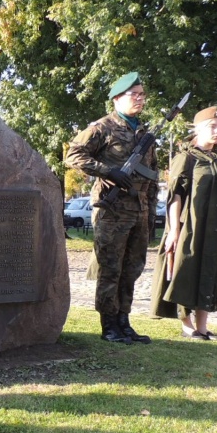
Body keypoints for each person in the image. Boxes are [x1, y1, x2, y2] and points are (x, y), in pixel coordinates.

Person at [65, 71, 159, 345]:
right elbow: (73, 155)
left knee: (132, 268)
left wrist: (150, 213)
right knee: (110, 269)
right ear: (118, 98)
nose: (140, 99)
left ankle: (124, 321)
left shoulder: (143, 133)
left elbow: (152, 175)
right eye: (135, 95)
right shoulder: (102, 127)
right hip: (112, 210)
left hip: (139, 210)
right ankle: (109, 326)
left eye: (142, 95)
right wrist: (108, 171)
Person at [150, 106, 217, 340]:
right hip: (190, 226)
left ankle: (203, 325)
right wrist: (174, 231)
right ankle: (186, 323)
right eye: (212, 127)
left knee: (211, 271)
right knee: (186, 270)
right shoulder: (186, 158)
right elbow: (174, 196)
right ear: (198, 129)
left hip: (216, 228)